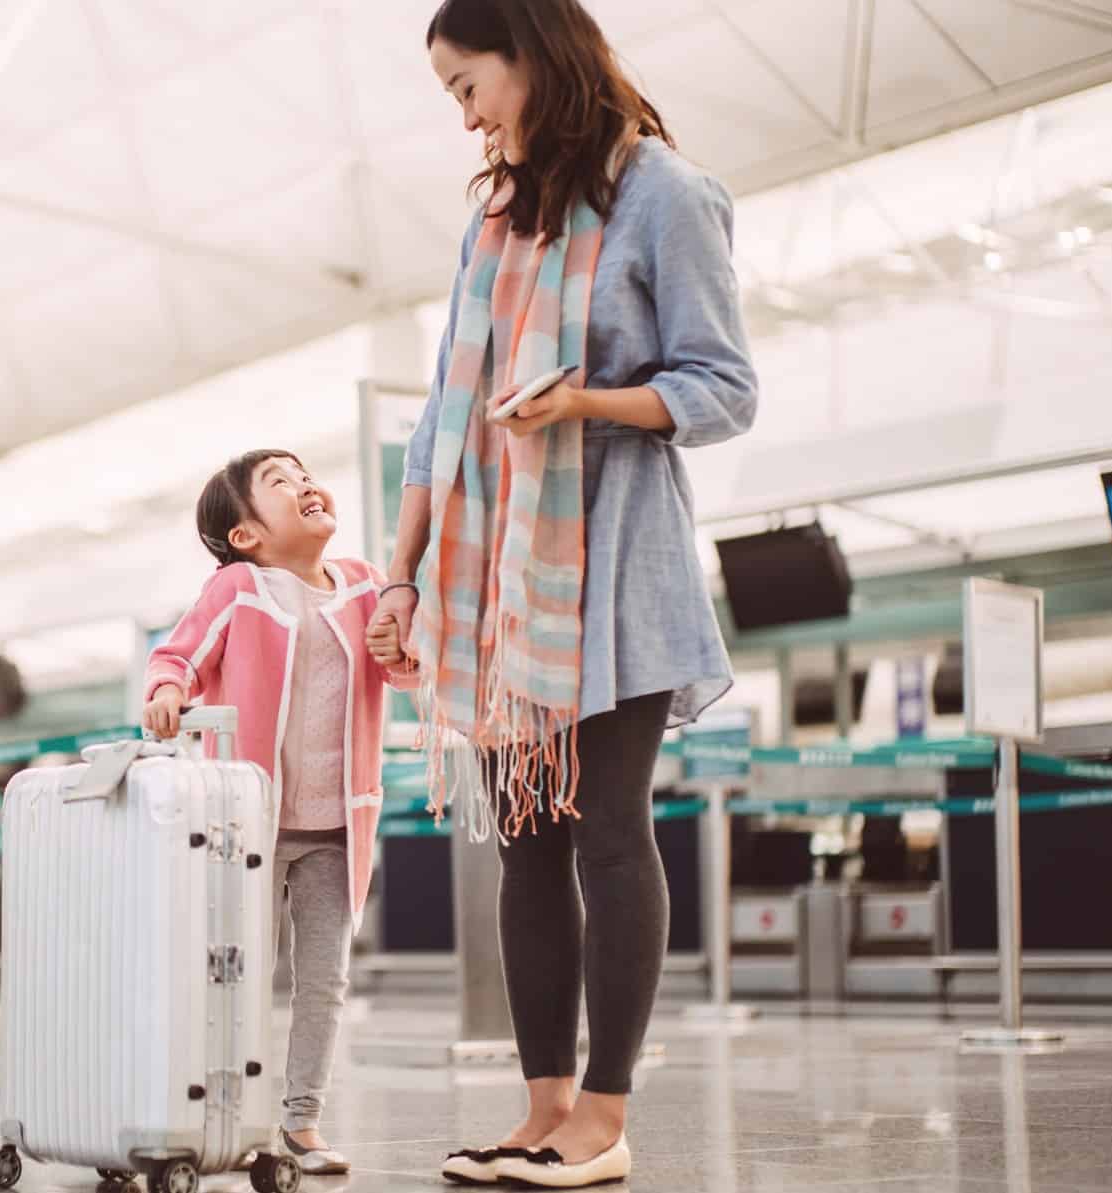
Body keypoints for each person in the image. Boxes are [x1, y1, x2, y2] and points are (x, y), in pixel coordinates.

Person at [366, 1, 758, 1187]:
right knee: (522, 843)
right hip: (494, 584)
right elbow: (442, 407)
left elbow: (723, 388)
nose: (467, 112)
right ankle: (540, 1107)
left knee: (603, 830)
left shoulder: (666, 195)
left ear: (534, 54)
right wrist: (401, 576)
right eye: (450, 95)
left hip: (615, 562)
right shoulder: (495, 219)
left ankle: (603, 1111)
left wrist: (584, 401)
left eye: (468, 82)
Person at [142, 449, 420, 1176]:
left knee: (324, 979)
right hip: (248, 825)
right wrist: (169, 692)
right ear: (246, 535)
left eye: (304, 474)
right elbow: (177, 655)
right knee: (234, 971)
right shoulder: (240, 588)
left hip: (337, 826)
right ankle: (217, 1113)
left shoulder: (362, 583)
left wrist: (402, 646)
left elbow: (404, 667)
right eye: (279, 483)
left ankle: (300, 1122)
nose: (303, 485)